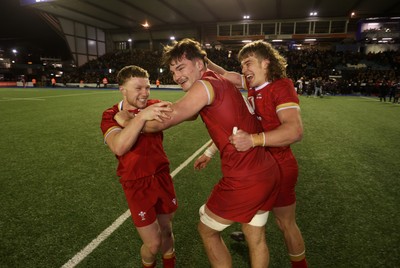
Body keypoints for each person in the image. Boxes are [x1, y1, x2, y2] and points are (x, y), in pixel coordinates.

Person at [117, 38, 280, 267]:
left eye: (181, 68)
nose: (176, 76)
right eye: (173, 71)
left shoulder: (204, 86)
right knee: (256, 237)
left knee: (207, 230)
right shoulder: (220, 81)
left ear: (200, 65)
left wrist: (129, 120)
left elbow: (162, 122)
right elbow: (194, 113)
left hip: (244, 177)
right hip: (267, 171)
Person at [198, 40, 308, 268]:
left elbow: (295, 131)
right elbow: (227, 75)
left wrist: (254, 140)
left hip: (279, 164)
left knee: (285, 223)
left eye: (248, 63)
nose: (244, 69)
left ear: (266, 62)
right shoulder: (252, 86)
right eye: (242, 65)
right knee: (255, 224)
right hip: (258, 166)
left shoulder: (280, 86)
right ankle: (249, 232)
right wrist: (204, 62)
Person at [100, 65, 177, 268]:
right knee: (153, 244)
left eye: (147, 87)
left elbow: (188, 115)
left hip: (161, 176)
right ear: (122, 89)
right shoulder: (110, 114)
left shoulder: (154, 104)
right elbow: (119, 146)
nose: (145, 93)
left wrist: (131, 121)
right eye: (138, 88)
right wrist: (142, 117)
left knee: (167, 231)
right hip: (136, 183)